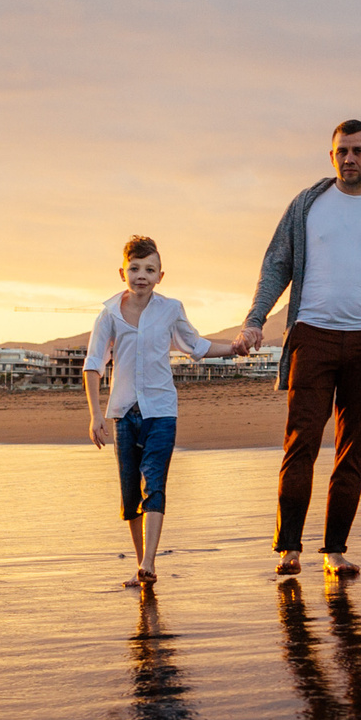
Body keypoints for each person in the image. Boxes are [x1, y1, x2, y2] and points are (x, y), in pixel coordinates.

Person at [234, 120, 361, 578]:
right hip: (312, 335)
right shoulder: (306, 204)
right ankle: (289, 548)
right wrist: (255, 319)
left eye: (358, 150)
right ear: (331, 155)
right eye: (341, 150)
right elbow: (276, 264)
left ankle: (335, 550)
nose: (349, 158)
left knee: (352, 449)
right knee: (300, 444)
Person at [85, 235, 236, 586]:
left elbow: (195, 345)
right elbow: (93, 364)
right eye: (135, 268)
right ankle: (141, 564)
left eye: (149, 269)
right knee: (129, 493)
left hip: (162, 410)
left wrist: (235, 347)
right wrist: (95, 416)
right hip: (124, 412)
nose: (142, 275)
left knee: (154, 482)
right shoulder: (108, 314)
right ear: (122, 271)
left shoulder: (171, 309)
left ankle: (149, 562)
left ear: (160, 276)